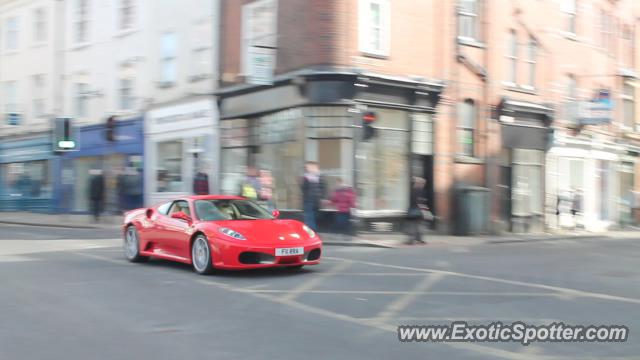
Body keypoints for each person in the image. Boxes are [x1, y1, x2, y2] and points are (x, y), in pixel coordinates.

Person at [301, 161, 326, 231]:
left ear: (314, 167)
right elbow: (303, 188)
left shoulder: (319, 176)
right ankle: (311, 230)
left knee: (311, 216)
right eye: (307, 167)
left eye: (309, 167)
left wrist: (322, 198)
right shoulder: (306, 177)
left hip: (314, 200)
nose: (307, 168)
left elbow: (323, 187)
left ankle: (311, 231)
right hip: (309, 200)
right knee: (310, 216)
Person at [405, 176, 427, 245]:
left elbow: (412, 200)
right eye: (423, 183)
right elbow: (421, 201)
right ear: (420, 183)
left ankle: (411, 240)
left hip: (412, 209)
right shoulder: (421, 191)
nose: (423, 185)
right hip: (418, 210)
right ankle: (419, 239)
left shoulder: (412, 190)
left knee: (413, 225)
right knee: (418, 225)